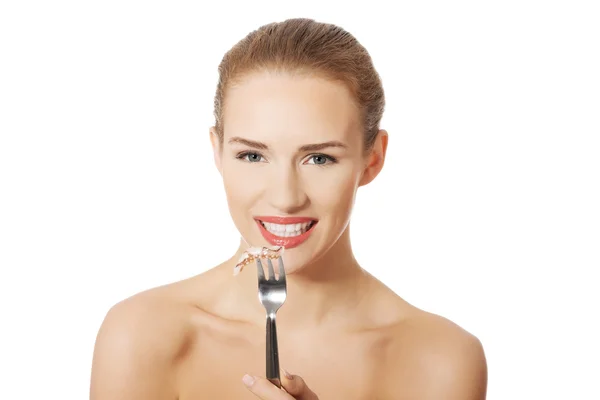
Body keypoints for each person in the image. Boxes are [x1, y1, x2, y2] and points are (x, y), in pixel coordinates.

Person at [89, 17, 488, 399]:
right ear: (217, 151)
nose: (285, 197)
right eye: (251, 156)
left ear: (373, 159)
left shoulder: (441, 360)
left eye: (319, 158)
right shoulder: (141, 336)